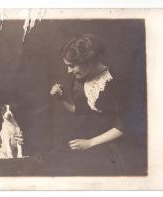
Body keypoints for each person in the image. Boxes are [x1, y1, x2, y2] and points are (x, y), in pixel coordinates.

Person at [46, 34, 127, 176]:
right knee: (53, 162)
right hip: (84, 139)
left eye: (72, 66)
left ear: (88, 62)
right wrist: (62, 98)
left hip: (109, 143)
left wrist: (90, 143)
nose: (68, 71)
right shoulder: (78, 80)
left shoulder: (116, 81)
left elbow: (124, 126)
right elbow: (79, 111)